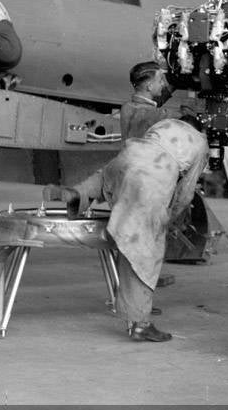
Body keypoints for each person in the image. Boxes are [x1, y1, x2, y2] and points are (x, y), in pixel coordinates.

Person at [44, 118, 208, 342]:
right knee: (143, 252)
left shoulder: (166, 124)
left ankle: (79, 193)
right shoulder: (200, 143)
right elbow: (186, 192)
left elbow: (137, 156)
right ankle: (140, 324)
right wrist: (169, 217)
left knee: (106, 178)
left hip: (128, 157)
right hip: (153, 175)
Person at [120, 61, 174, 139]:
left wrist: (172, 87)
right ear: (150, 86)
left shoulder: (127, 106)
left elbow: (151, 105)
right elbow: (183, 116)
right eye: (160, 80)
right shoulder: (152, 114)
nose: (163, 84)